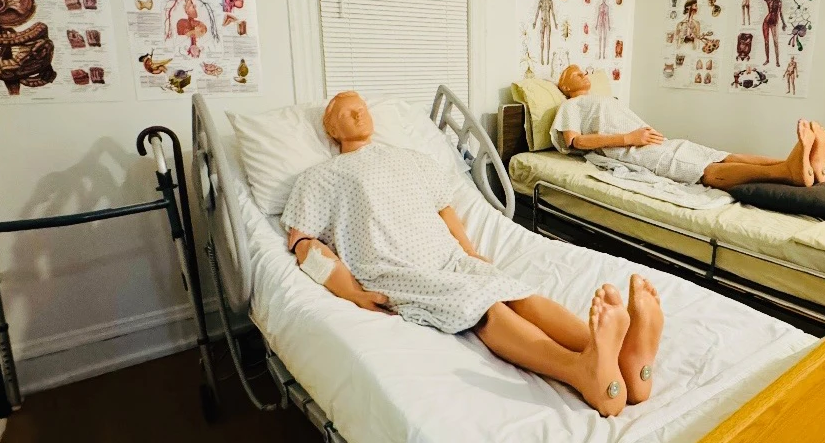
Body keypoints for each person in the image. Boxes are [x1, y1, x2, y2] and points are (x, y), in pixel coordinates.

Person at [281, 91, 664, 416]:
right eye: (346, 111)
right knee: (487, 307)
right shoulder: (320, 178)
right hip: (396, 268)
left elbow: (445, 206)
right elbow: (304, 245)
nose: (359, 111)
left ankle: (618, 361)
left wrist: (470, 252)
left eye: (362, 105)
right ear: (331, 129)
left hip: (446, 255)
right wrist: (352, 292)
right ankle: (580, 371)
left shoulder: (407, 157)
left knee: (518, 294)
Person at [551, 65, 825, 190]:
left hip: (656, 142)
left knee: (719, 155)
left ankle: (798, 164)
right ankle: (788, 173)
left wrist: (642, 134)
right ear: (565, 87)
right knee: (703, 171)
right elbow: (575, 143)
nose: (585, 74)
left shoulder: (603, 99)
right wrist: (630, 137)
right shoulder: (570, 107)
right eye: (576, 73)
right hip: (632, 152)